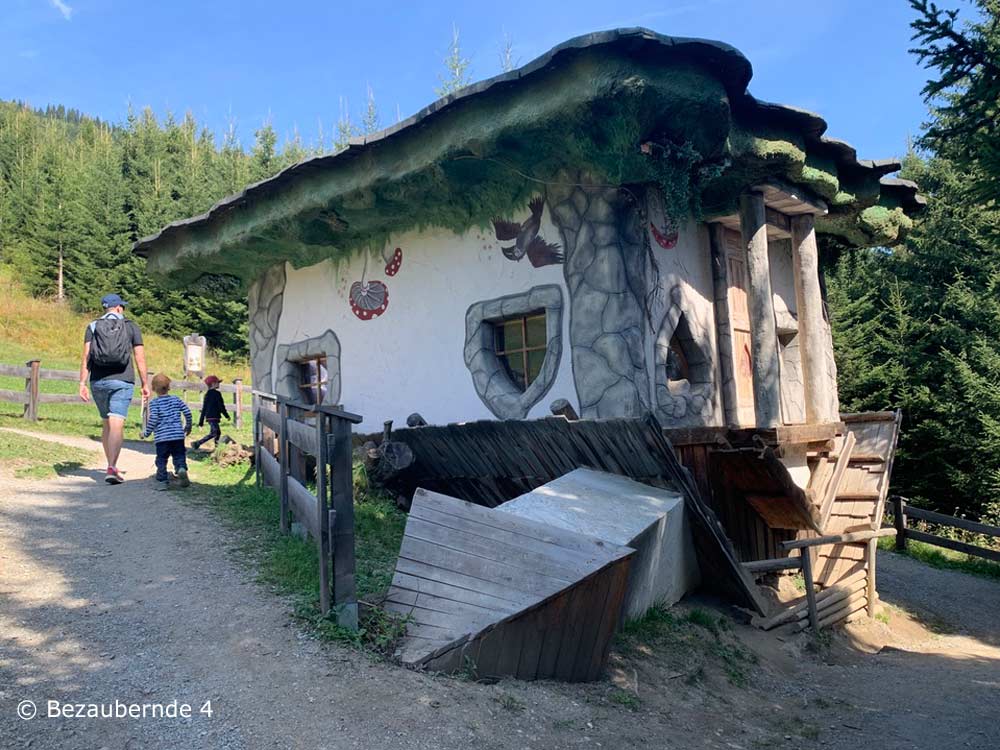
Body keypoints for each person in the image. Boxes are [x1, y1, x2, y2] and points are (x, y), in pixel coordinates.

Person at [78, 293, 149, 484]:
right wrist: (145, 383)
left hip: (98, 381)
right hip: (122, 380)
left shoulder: (92, 326)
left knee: (106, 422)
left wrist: (82, 383)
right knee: (117, 421)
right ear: (118, 308)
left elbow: (86, 357)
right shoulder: (130, 326)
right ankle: (112, 467)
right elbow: (139, 358)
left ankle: (110, 463)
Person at [141, 373, 192, 491]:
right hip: (178, 436)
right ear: (169, 387)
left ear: (153, 389)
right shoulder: (176, 399)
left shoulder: (154, 403)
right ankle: (181, 469)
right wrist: (188, 425)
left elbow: (153, 420)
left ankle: (162, 480)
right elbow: (187, 412)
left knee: (162, 459)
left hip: (162, 438)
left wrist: (146, 433)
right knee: (179, 455)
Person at [192, 375, 230, 450]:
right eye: (218, 382)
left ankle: (217, 448)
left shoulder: (207, 395)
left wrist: (201, 421)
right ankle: (197, 443)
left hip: (209, 417)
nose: (219, 384)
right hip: (214, 416)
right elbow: (221, 406)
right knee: (214, 433)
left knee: (217, 432)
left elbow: (204, 408)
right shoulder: (217, 394)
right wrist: (226, 415)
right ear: (213, 384)